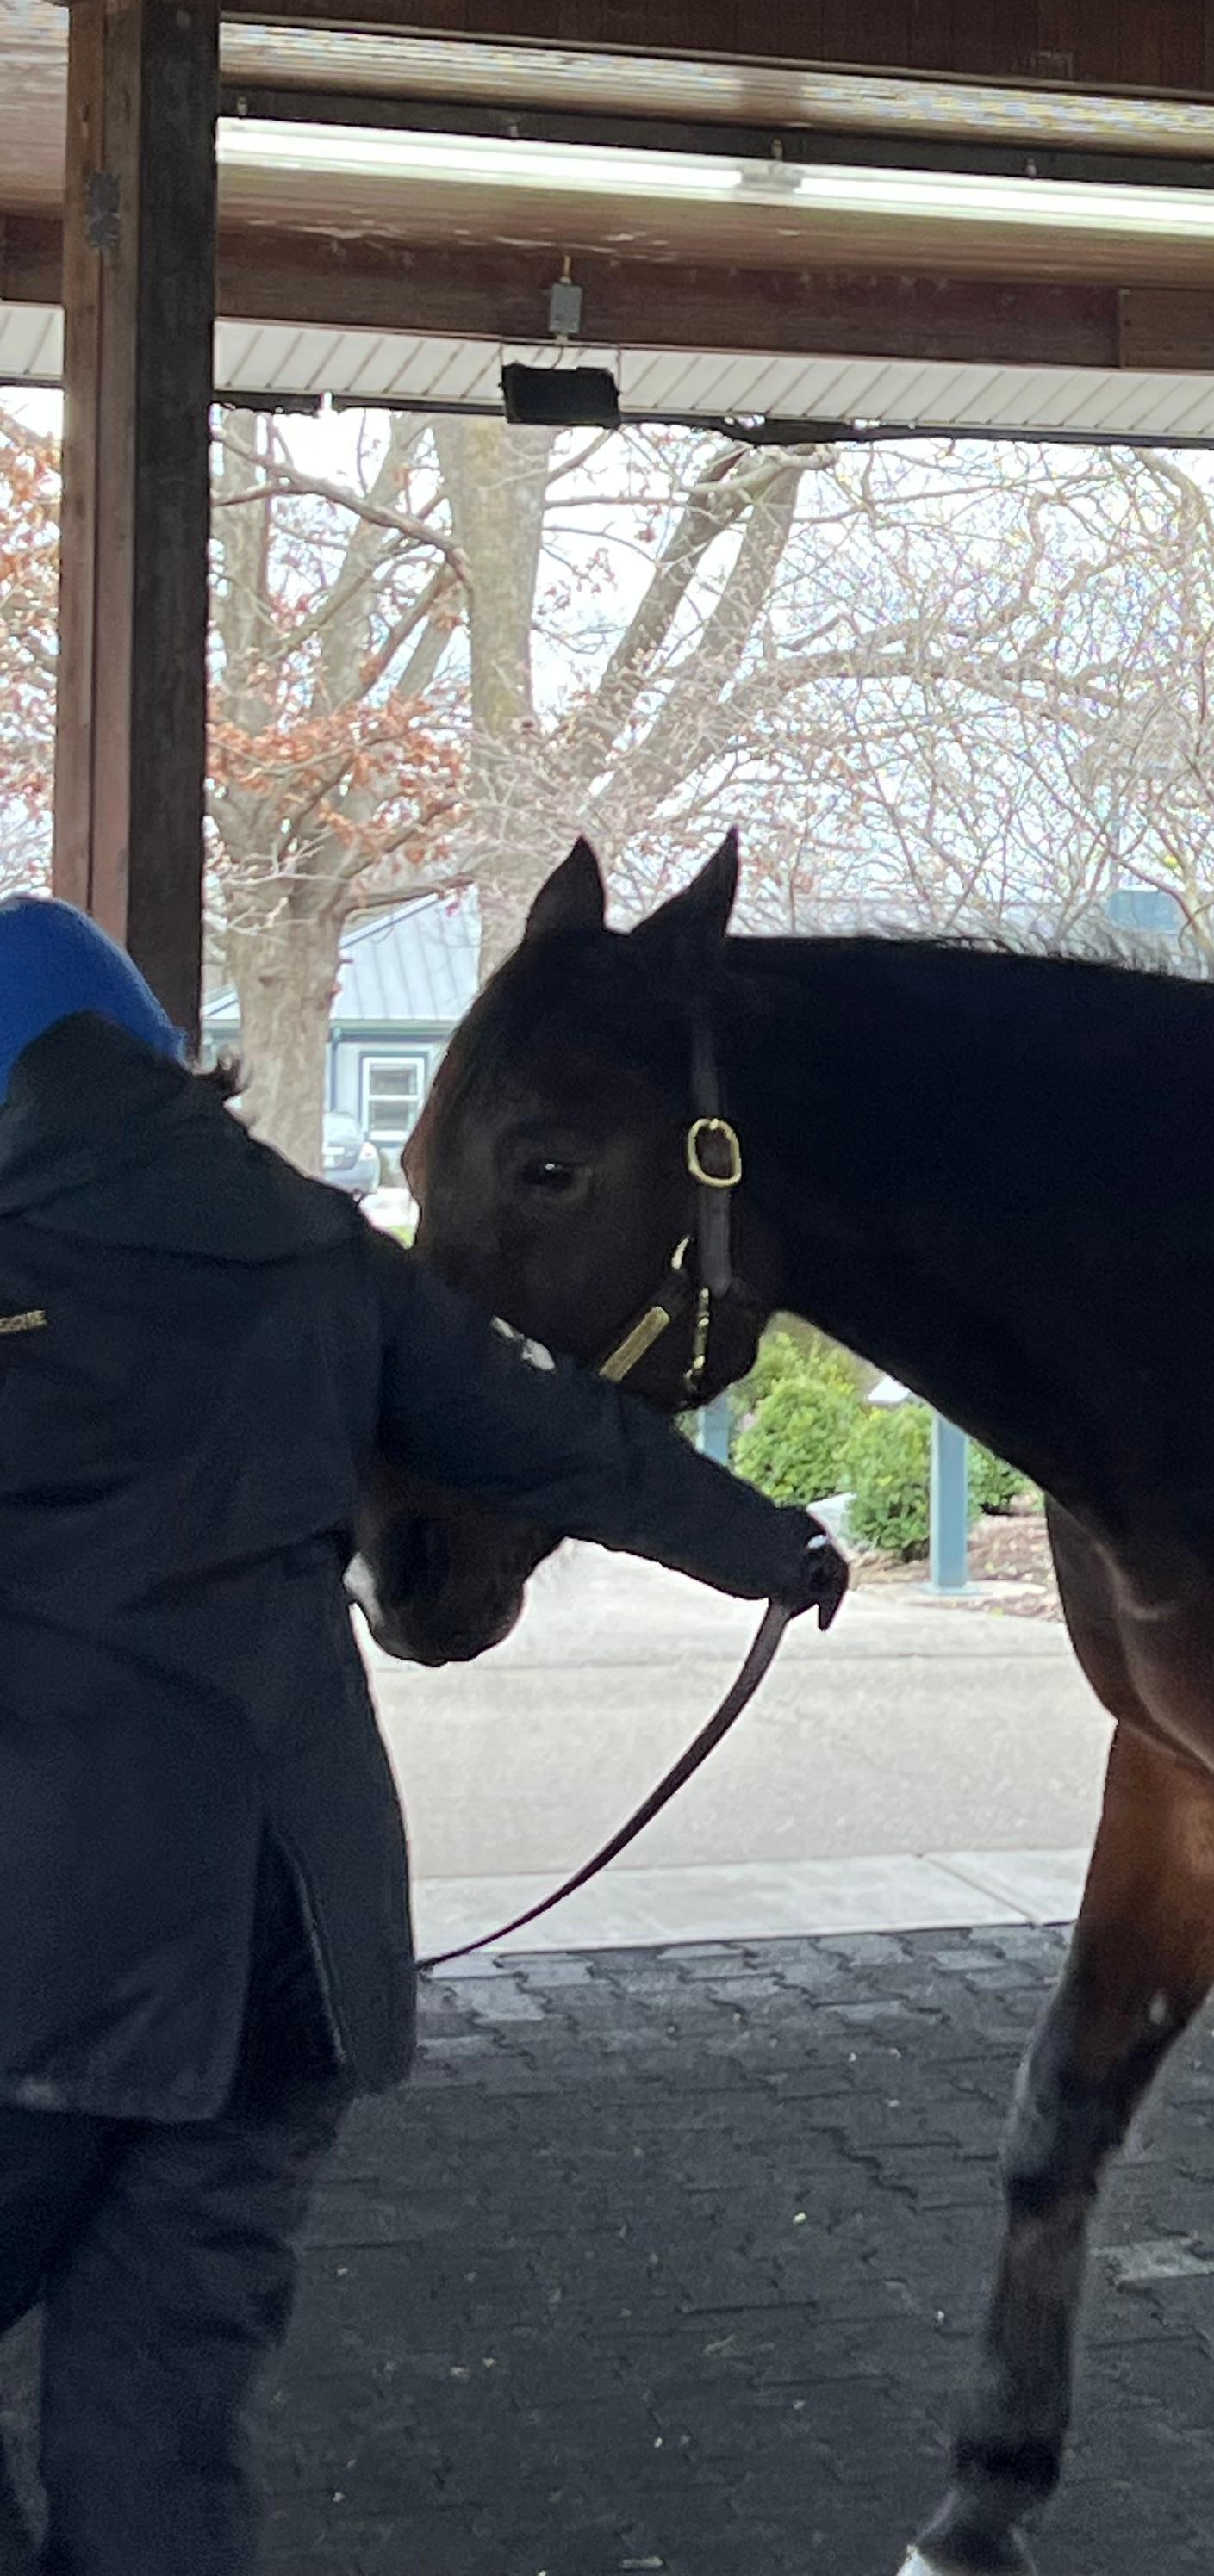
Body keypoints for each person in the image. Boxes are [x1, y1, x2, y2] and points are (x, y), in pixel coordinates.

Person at [0, 897, 844, 2576]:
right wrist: (774, 1546)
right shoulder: (318, 1250)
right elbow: (552, 1437)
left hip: (43, 1951)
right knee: (158, 2424)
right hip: (295, 1962)